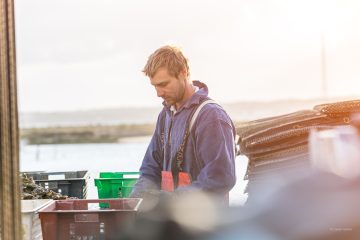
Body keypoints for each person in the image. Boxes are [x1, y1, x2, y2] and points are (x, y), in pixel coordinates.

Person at [130, 45, 236, 203]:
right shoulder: (165, 116)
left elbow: (220, 178)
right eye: (155, 86)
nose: (158, 93)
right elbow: (150, 169)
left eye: (164, 84)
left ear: (183, 73)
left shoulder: (211, 117)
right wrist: (137, 197)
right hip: (173, 222)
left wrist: (171, 200)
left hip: (206, 224)